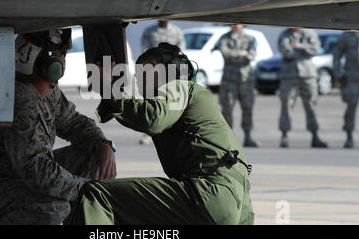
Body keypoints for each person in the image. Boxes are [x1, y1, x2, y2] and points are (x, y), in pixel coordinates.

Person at [0, 28, 116, 225]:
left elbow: (73, 121)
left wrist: (102, 144)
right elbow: (39, 172)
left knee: (92, 156)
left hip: (12, 181)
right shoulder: (21, 100)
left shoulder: (44, 91)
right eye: (62, 55)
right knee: (53, 207)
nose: (64, 61)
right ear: (52, 63)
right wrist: (85, 189)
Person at [67, 43, 254, 225]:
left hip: (209, 193)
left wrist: (108, 89)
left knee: (96, 195)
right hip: (236, 204)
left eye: (142, 73)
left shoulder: (179, 86)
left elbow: (153, 118)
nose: (139, 81)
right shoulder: (193, 97)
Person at [278, 28, 328, 148]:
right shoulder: (285, 34)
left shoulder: (310, 33)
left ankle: (315, 135)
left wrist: (296, 46)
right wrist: (304, 48)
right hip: (289, 76)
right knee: (287, 105)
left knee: (311, 105)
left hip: (308, 75)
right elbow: (286, 52)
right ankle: (284, 135)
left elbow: (315, 50)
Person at [139, 20, 185, 145]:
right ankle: (149, 133)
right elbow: (144, 49)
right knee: (151, 102)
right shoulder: (150, 31)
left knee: (173, 102)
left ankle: (174, 132)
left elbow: (182, 52)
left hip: (171, 74)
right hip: (153, 72)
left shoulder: (176, 31)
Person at [219, 24, 259, 147]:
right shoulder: (224, 38)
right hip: (229, 80)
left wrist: (235, 56)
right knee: (227, 108)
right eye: (233, 22)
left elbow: (251, 55)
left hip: (246, 80)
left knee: (248, 108)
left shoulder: (250, 38)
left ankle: (248, 135)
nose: (236, 25)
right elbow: (226, 54)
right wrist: (241, 53)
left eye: (238, 22)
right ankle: (227, 138)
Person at [333, 31, 359, 149]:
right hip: (352, 77)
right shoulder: (347, 35)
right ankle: (349, 135)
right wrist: (339, 74)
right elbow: (337, 54)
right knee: (351, 107)